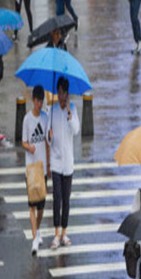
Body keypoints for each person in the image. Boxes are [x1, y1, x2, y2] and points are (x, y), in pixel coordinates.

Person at [47, 76, 79, 249]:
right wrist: (49, 137)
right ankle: (56, 234)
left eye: (63, 93)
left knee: (66, 200)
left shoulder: (72, 109)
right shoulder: (51, 111)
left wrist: (69, 113)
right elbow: (47, 136)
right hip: (56, 161)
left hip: (69, 162)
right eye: (58, 92)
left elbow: (76, 130)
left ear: (67, 94)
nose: (61, 96)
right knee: (57, 198)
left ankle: (64, 233)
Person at [22, 85, 50, 256]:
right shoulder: (27, 119)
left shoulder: (46, 117)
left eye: (42, 101)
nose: (39, 104)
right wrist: (29, 147)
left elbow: (47, 142)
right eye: (37, 101)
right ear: (33, 100)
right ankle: (34, 238)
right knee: (32, 205)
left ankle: (37, 230)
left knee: (41, 206)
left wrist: (50, 165)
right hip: (31, 168)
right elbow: (23, 142)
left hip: (42, 167)